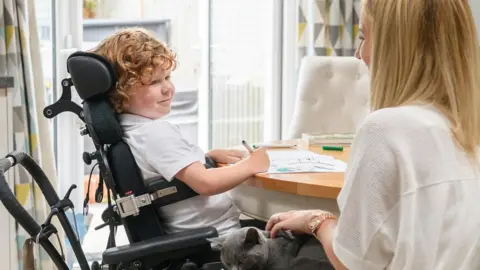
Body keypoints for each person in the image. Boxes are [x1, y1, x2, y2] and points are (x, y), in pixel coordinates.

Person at [266, 0, 480, 269]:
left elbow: (351, 263)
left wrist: (318, 221)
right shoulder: (467, 132)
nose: (358, 54)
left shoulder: (386, 131)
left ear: (396, 48)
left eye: (364, 37)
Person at [90, 27, 270, 238]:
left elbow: (165, 171)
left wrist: (205, 158)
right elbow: (205, 183)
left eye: (167, 77)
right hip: (223, 238)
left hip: (203, 234)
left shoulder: (130, 131)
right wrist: (251, 164)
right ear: (121, 91)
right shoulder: (154, 132)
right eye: (155, 82)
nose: (168, 88)